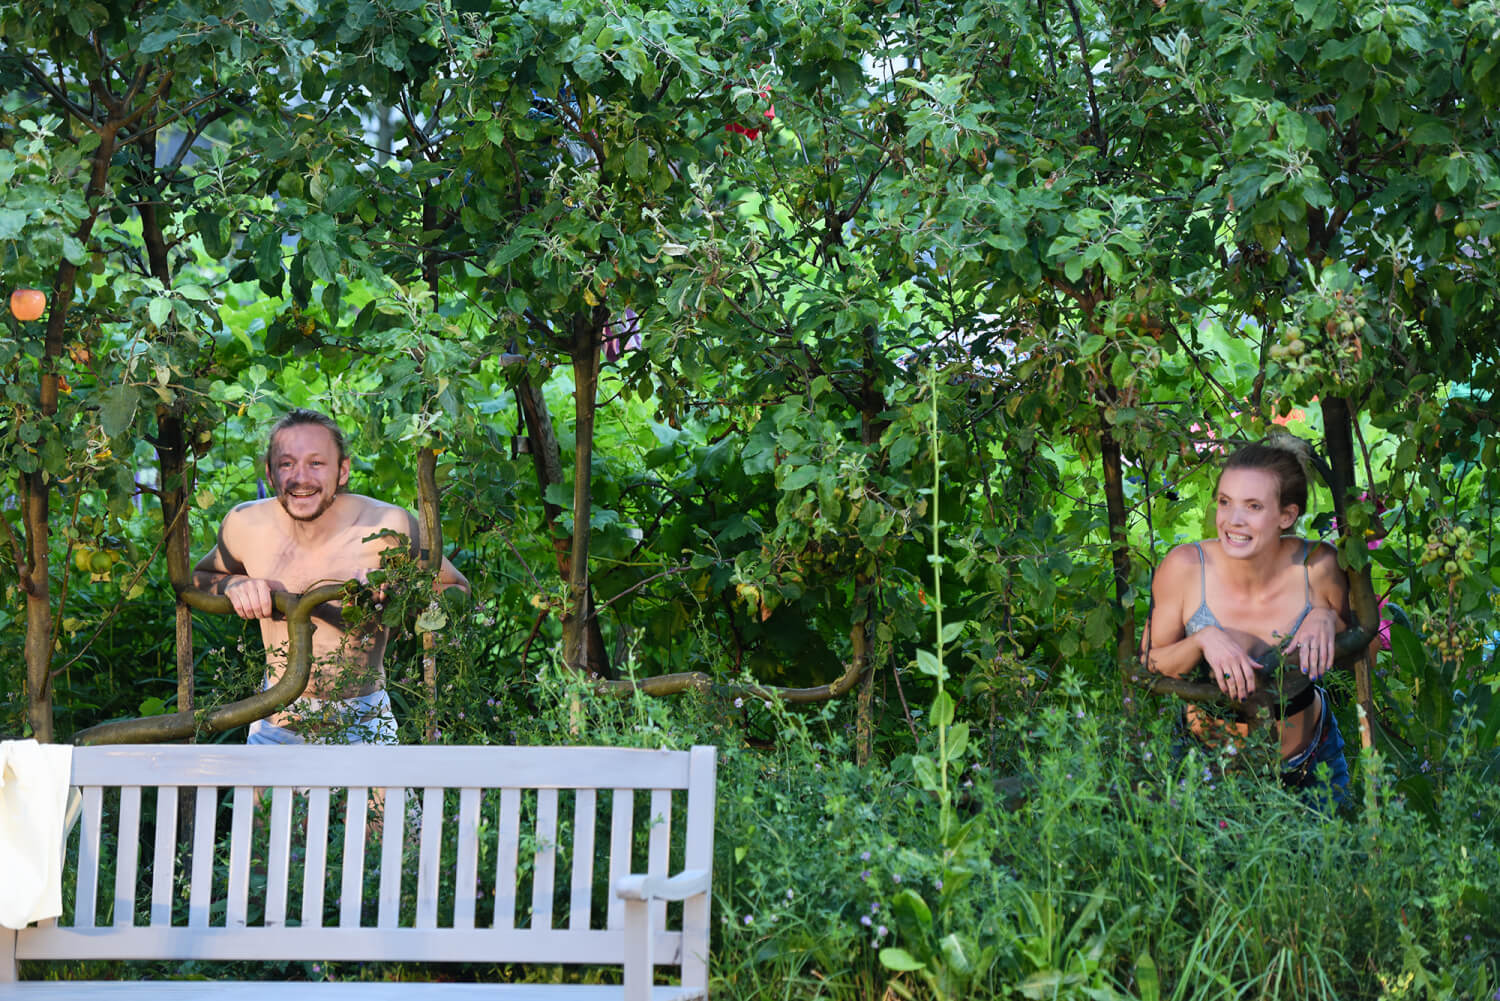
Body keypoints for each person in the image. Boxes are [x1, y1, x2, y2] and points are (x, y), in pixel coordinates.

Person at [193, 408, 469, 745]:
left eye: (316, 463)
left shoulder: (389, 527)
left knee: (388, 801)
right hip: (277, 725)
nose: (300, 478)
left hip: (367, 724)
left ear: (342, 471)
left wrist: (402, 590)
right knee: (258, 801)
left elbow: (457, 589)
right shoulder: (245, 525)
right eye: (286, 464)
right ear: (269, 472)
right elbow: (201, 577)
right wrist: (234, 584)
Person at [1141, 439, 1351, 808]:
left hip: (1309, 764)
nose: (1232, 520)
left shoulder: (1319, 567)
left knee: (1323, 865)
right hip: (1203, 763)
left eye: (1253, 506)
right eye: (1225, 502)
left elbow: (1363, 655)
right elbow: (1148, 663)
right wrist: (1201, 639)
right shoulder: (1186, 569)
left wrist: (1328, 619)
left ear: (1287, 515)